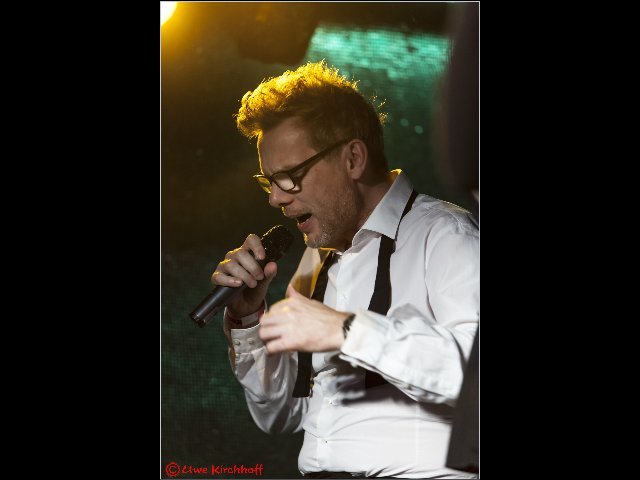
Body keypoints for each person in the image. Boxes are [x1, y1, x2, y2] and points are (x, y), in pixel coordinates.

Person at [211, 61, 479, 479]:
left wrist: (346, 330)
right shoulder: (315, 262)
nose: (275, 199)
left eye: (290, 176)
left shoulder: (445, 234)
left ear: (353, 158)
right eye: (269, 182)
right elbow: (282, 414)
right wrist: (246, 319)